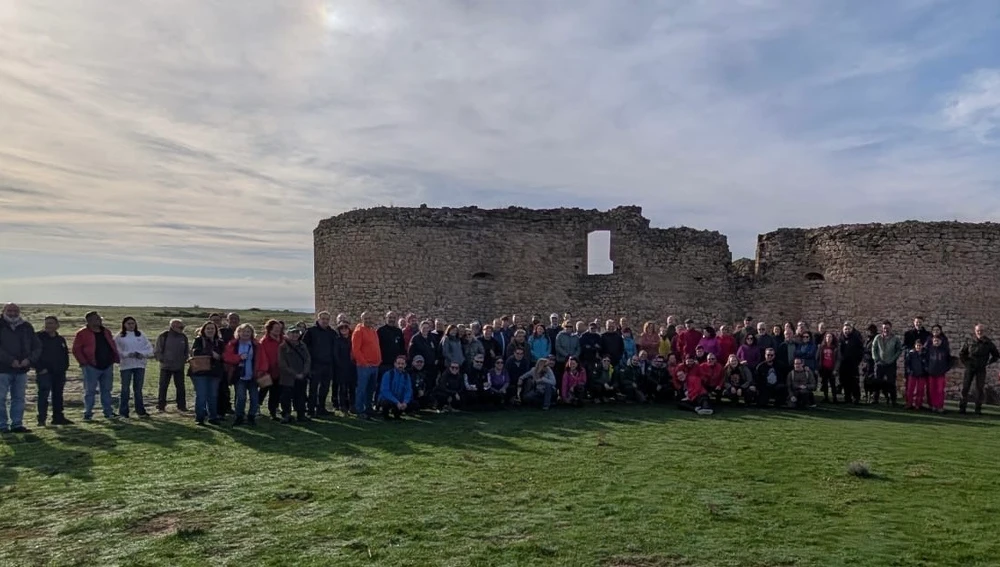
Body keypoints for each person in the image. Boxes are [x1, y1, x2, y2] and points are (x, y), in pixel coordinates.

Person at [0, 303, 41, 433]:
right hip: (2, 369)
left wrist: (29, 360)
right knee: (0, 398)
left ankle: (17, 424)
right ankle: (2, 425)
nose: (13, 313)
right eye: (10, 310)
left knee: (19, 398)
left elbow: (37, 346)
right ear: (3, 311)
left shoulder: (26, 327)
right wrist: (10, 360)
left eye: (15, 311)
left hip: (21, 370)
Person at [72, 311, 120, 422]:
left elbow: (112, 345)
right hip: (91, 366)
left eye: (100, 318)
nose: (100, 320)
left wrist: (114, 358)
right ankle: (88, 413)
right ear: (89, 321)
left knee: (107, 390)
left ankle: (108, 412)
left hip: (107, 365)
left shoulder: (106, 331)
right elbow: (76, 349)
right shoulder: (82, 333)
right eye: (97, 319)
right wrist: (83, 362)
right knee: (90, 391)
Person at [114, 316, 153, 419]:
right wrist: (127, 354)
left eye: (133, 323)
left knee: (138, 389)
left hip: (139, 365)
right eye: (129, 323)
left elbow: (149, 348)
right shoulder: (119, 336)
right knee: (125, 389)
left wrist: (142, 354)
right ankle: (123, 412)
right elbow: (117, 350)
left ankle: (140, 411)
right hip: (126, 365)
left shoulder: (141, 335)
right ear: (124, 325)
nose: (131, 325)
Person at [35, 316, 71, 426]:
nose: (48, 326)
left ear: (57, 325)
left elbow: (65, 355)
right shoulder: (38, 337)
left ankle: (58, 417)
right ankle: (41, 419)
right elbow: (34, 355)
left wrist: (64, 367)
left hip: (59, 372)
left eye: (51, 323)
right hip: (44, 372)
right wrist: (40, 368)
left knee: (58, 395)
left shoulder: (60, 339)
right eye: (47, 323)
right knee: (43, 395)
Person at [223, 323, 261, 426]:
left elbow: (262, 359)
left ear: (252, 333)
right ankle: (239, 416)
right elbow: (226, 357)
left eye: (248, 331)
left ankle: (251, 417)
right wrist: (239, 357)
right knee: (241, 397)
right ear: (238, 332)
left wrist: (261, 371)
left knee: (254, 398)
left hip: (252, 375)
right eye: (243, 331)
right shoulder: (233, 344)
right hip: (239, 375)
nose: (245, 333)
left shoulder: (256, 345)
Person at [188, 320, 225, 426]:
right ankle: (199, 418)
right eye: (208, 328)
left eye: (212, 328)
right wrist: (212, 353)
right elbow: (195, 352)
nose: (210, 330)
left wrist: (219, 356)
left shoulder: (220, 342)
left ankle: (213, 417)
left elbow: (223, 356)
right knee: (201, 395)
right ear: (203, 330)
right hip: (200, 372)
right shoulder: (199, 340)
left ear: (216, 330)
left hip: (215, 372)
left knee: (213, 396)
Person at [958, 324, 1000, 415]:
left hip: (981, 368)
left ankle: (978, 409)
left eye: (981, 330)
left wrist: (988, 363)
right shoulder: (969, 341)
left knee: (979, 389)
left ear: (984, 331)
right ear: (975, 331)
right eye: (978, 330)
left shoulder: (988, 343)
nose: (979, 332)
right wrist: (966, 363)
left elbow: (996, 355)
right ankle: (962, 408)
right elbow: (962, 353)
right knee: (965, 388)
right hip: (970, 367)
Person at [302, 311, 337, 417]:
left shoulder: (332, 333)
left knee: (325, 388)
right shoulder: (311, 331)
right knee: (313, 388)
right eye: (323, 319)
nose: (325, 321)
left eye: (327, 319)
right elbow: (304, 347)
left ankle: (321, 408)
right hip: (315, 365)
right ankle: (311, 410)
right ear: (318, 319)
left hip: (328, 365)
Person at [352, 312, 382, 421]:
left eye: (370, 318)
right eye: (366, 318)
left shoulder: (373, 330)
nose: (368, 320)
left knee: (371, 389)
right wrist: (364, 363)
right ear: (362, 319)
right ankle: (360, 410)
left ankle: (368, 408)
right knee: (362, 389)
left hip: (375, 365)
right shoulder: (359, 331)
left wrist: (379, 360)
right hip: (364, 366)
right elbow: (356, 350)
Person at [154, 319, 189, 412]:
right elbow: (158, 350)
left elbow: (187, 350)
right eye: (181, 327)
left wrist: (185, 359)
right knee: (163, 386)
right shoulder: (164, 336)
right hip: (166, 366)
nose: (182, 329)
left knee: (181, 387)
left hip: (179, 366)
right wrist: (162, 360)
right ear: (173, 326)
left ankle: (181, 406)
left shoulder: (183, 337)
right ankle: (161, 405)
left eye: (183, 327)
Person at [278, 326, 311, 424]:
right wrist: (294, 374)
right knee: (286, 397)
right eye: (292, 333)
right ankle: (286, 415)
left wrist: (304, 372)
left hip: (301, 376)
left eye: (297, 333)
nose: (295, 335)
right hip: (288, 377)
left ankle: (301, 414)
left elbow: (307, 359)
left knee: (300, 396)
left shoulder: (302, 345)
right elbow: (282, 363)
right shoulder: (283, 347)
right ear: (288, 334)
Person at [871, 320, 904, 406]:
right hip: (879, 364)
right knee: (877, 382)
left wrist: (893, 359)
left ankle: (893, 400)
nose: (886, 330)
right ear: (882, 328)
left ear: (891, 328)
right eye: (884, 328)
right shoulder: (877, 338)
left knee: (891, 383)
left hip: (890, 364)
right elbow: (873, 349)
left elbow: (899, 350)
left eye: (887, 328)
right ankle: (875, 399)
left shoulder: (895, 339)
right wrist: (876, 359)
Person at [258, 319, 284, 420]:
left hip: (279, 371)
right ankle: (256, 407)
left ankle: (273, 413)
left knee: (275, 393)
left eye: (279, 328)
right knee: (263, 390)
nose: (278, 330)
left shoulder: (283, 339)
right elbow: (262, 356)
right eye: (275, 328)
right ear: (270, 329)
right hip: (267, 371)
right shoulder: (264, 341)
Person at [217, 312, 240, 416]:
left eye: (236, 318)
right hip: (225, 363)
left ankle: (238, 408)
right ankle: (226, 407)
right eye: (231, 318)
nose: (233, 320)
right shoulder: (222, 331)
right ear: (227, 320)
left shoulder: (242, 331)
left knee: (239, 388)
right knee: (224, 388)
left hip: (240, 363)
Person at [378, 354, 415, 419]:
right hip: (389, 399)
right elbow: (385, 391)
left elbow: (408, 390)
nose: (400, 365)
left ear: (405, 365)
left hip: (400, 401)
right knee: (385, 403)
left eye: (402, 364)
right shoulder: (388, 374)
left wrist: (405, 402)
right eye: (398, 363)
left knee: (414, 404)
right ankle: (385, 415)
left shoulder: (406, 376)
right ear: (395, 364)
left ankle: (397, 413)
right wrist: (396, 402)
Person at [377, 311, 405, 390]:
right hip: (384, 365)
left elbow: (402, 347)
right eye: (390, 317)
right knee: (382, 386)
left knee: (395, 386)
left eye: (393, 318)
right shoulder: (380, 331)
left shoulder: (399, 331)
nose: (392, 319)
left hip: (396, 365)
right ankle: (380, 402)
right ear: (386, 319)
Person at [838, 322, 864, 405]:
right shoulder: (840, 338)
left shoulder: (856, 338)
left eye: (848, 329)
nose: (847, 330)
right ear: (843, 329)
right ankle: (847, 398)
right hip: (843, 364)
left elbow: (861, 351)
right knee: (845, 382)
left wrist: (857, 361)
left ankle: (856, 398)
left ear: (851, 329)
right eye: (845, 329)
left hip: (853, 364)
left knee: (854, 382)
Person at [333, 321, 356, 414]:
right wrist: (339, 365)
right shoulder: (337, 340)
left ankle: (352, 405)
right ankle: (343, 406)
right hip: (341, 368)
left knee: (352, 388)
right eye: (341, 328)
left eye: (345, 328)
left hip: (352, 367)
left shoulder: (352, 339)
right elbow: (335, 354)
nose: (344, 330)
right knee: (342, 388)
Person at [925, 335, 951, 413]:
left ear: (941, 341)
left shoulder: (945, 350)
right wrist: (927, 369)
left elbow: (949, 361)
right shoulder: (929, 350)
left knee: (940, 390)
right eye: (935, 340)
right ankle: (933, 406)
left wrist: (945, 369)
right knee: (932, 390)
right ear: (932, 341)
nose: (936, 342)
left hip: (940, 374)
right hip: (931, 373)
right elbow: (925, 360)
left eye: (938, 340)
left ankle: (940, 406)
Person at [903, 339, 930, 410]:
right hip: (912, 374)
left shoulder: (925, 354)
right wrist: (909, 371)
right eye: (917, 345)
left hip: (921, 374)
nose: (918, 347)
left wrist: (925, 371)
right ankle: (909, 403)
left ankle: (918, 404)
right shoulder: (911, 353)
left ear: (922, 346)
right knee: (910, 390)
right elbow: (907, 364)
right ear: (915, 346)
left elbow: (927, 364)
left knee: (920, 390)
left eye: (920, 345)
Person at [816, 332, 840, 403]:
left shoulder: (835, 347)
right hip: (824, 368)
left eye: (830, 337)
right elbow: (817, 357)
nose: (828, 338)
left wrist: (836, 369)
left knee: (833, 384)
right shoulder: (821, 347)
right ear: (825, 338)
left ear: (832, 338)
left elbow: (838, 359)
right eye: (827, 337)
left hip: (832, 368)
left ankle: (834, 398)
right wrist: (818, 367)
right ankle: (826, 397)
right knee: (825, 384)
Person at [861, 324, 879, 403]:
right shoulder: (868, 339)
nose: (868, 332)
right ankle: (866, 394)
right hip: (866, 362)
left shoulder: (876, 338)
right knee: (866, 380)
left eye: (870, 330)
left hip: (873, 362)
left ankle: (872, 395)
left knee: (872, 380)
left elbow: (874, 350)